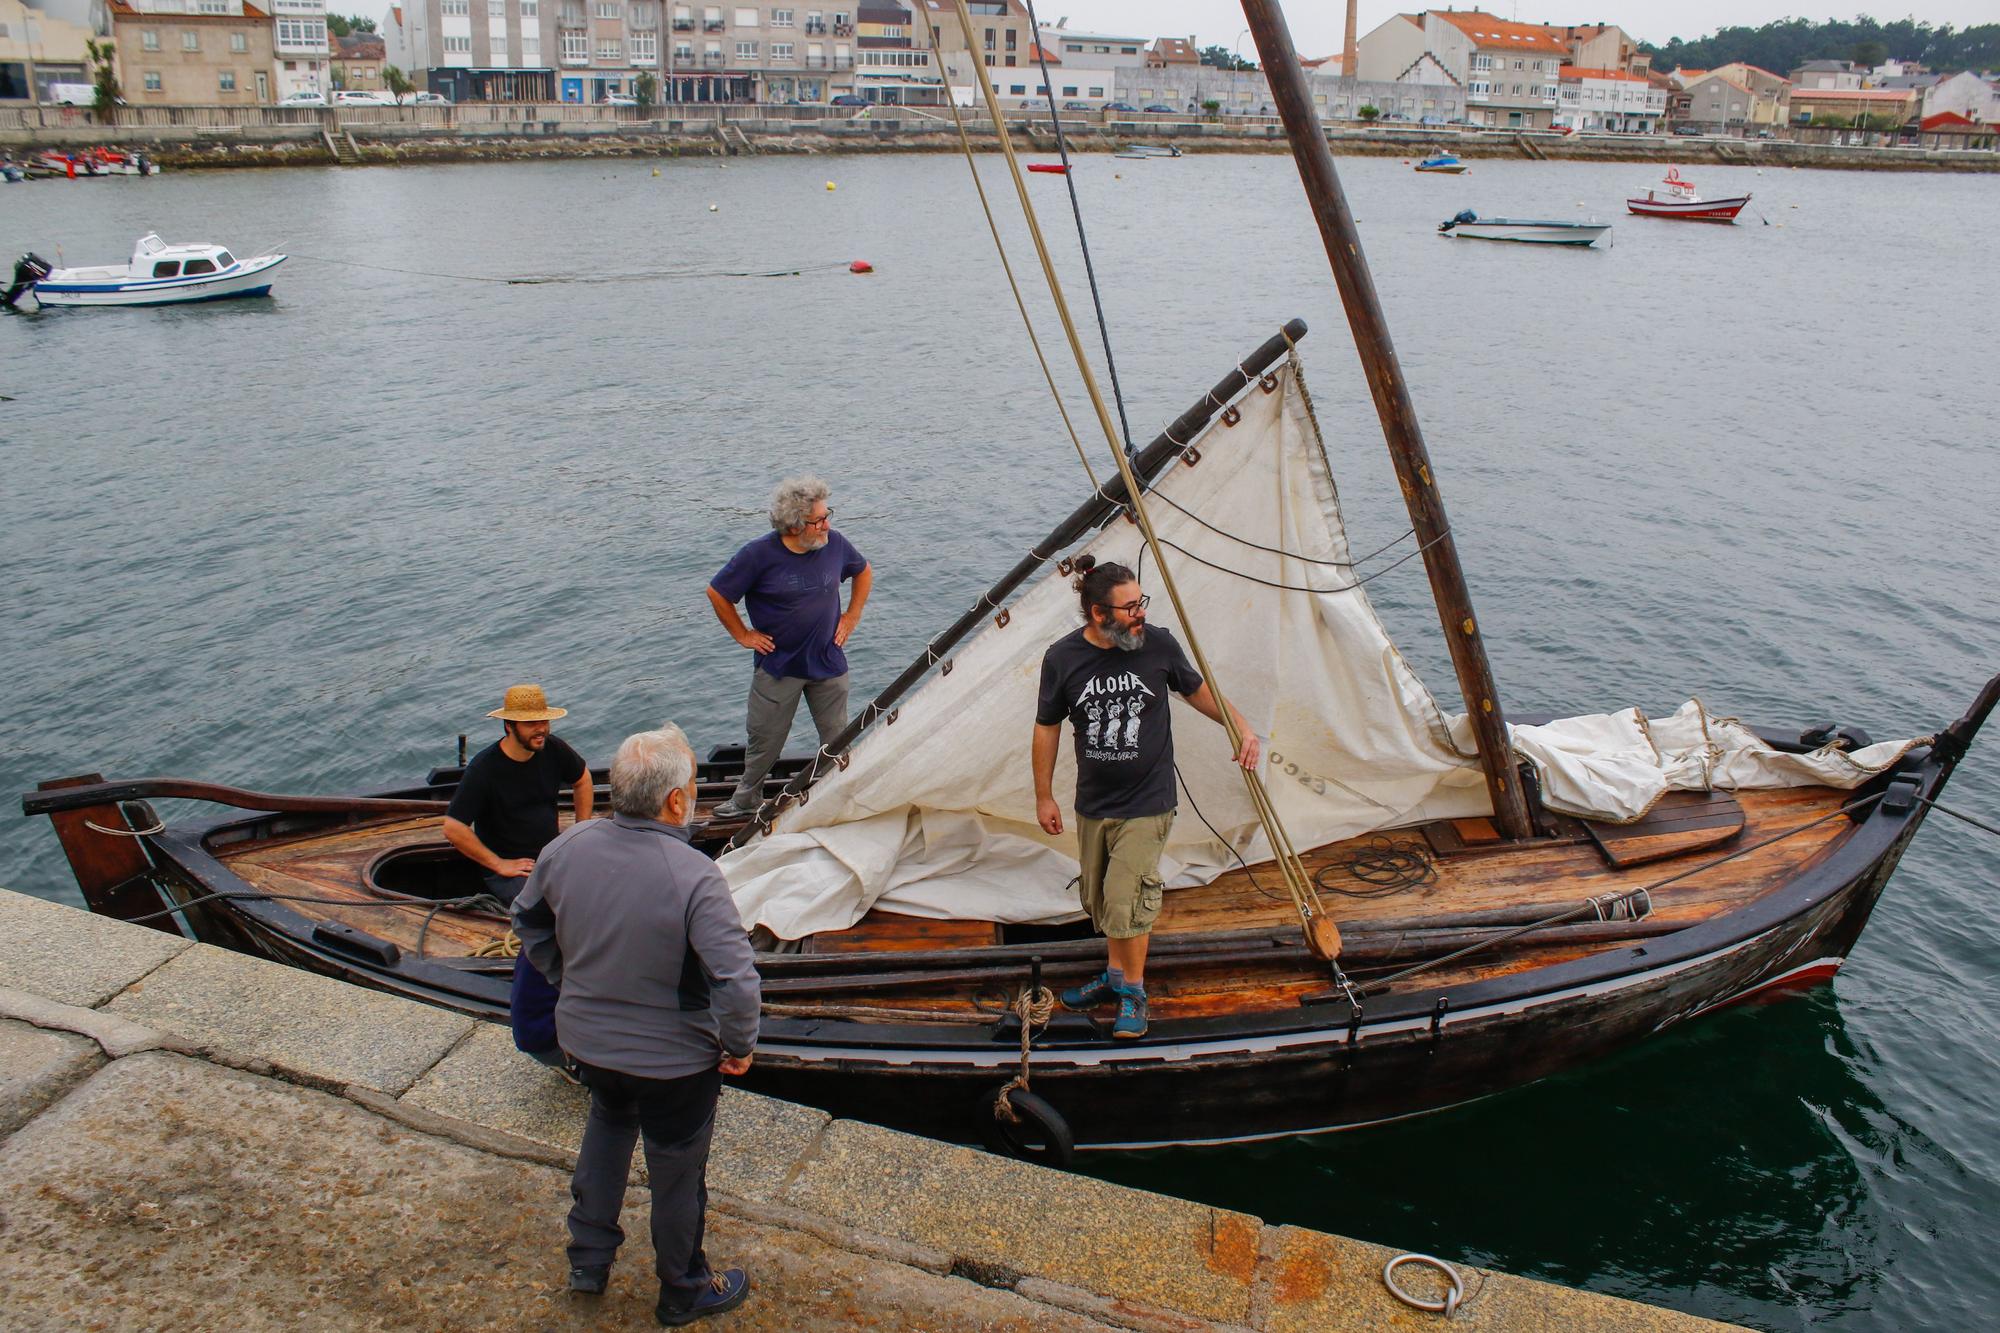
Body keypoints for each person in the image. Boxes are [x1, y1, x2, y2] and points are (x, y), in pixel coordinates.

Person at [512, 725, 761, 1325]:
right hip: (674, 1063)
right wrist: (737, 1044)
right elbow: (735, 980)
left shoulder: (566, 850)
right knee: (677, 1172)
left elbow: (529, 923)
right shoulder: (694, 874)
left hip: (588, 1044)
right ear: (676, 801)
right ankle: (683, 1288)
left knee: (607, 1125)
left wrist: (567, 983)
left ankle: (588, 1260)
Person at [1031, 556, 1258, 1040]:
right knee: (1099, 899)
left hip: (1148, 800)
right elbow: (1046, 727)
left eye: (1141, 603)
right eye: (1130, 607)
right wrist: (1043, 796)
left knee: (1126, 897)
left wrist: (1240, 727)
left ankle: (1133, 991)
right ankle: (1114, 977)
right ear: (1098, 613)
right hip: (1093, 802)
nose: (1141, 614)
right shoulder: (1062, 658)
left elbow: (1198, 691)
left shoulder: (1158, 644)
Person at [706, 475, 872, 820]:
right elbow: (718, 593)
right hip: (778, 667)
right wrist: (742, 634)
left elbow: (863, 571)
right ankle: (746, 799)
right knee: (765, 738)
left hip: (828, 663)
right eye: (819, 520)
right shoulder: (758, 555)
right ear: (796, 525)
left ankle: (843, 795)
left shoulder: (836, 544)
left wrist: (852, 616)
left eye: (828, 515)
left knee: (837, 737)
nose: (827, 524)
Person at [442, 684, 592, 906]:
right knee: (550, 907)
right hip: (511, 870)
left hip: (551, 853)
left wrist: (580, 832)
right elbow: (453, 827)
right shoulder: (484, 769)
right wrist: (499, 864)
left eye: (544, 721)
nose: (541, 729)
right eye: (531, 723)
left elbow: (583, 780)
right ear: (509, 726)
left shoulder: (553, 748)